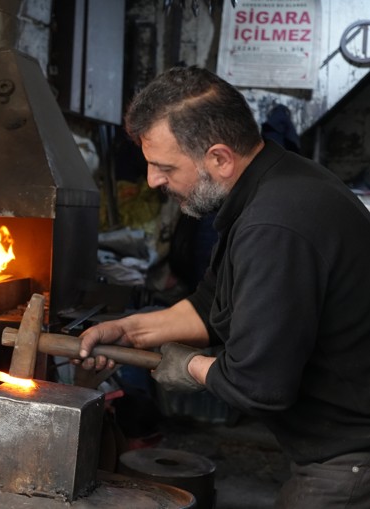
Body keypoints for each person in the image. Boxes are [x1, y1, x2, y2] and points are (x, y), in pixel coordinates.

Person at [77, 66, 370, 508]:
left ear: (219, 158)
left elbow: (259, 385)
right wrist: (128, 330)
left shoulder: (275, 224)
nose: (154, 180)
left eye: (164, 166)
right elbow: (211, 304)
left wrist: (189, 367)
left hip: (352, 455)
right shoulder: (272, 186)